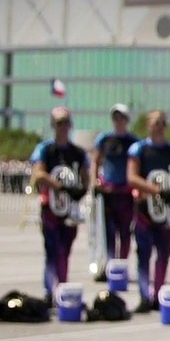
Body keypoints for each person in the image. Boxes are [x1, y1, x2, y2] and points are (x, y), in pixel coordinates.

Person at [126, 110, 170, 313]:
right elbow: (132, 177)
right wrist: (156, 190)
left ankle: (159, 293)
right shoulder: (139, 149)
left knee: (164, 253)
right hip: (145, 210)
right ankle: (144, 295)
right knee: (143, 253)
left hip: (166, 212)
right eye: (155, 122)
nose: (159, 126)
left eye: (162, 122)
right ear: (147, 125)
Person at [30, 106, 92, 302]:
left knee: (65, 249)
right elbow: (38, 174)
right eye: (59, 123)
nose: (63, 126)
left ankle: (63, 286)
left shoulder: (78, 152)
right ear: (53, 125)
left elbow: (85, 176)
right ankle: (49, 290)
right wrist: (59, 185)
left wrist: (80, 190)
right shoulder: (45, 149)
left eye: (65, 122)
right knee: (51, 249)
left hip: (69, 208)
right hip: (51, 207)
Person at [91, 104, 139, 278]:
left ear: (127, 120)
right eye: (116, 118)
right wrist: (95, 181)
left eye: (122, 118)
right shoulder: (104, 139)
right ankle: (110, 266)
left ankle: (122, 266)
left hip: (125, 193)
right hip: (108, 192)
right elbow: (96, 160)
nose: (119, 121)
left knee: (125, 232)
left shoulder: (133, 142)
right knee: (108, 232)